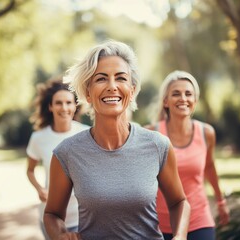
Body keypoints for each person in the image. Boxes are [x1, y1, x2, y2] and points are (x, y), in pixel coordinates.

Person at [43, 40, 191, 240]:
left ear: (132, 89)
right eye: (101, 79)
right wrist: (60, 235)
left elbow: (179, 202)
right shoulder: (66, 153)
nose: (112, 86)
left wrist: (180, 236)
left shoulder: (158, 145)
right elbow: (52, 214)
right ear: (88, 91)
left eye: (120, 78)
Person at [145, 70, 230, 240]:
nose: (183, 98)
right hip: (159, 224)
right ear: (166, 102)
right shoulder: (150, 134)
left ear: (194, 101)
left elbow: (210, 167)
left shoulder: (206, 133)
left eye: (188, 94)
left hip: (199, 220)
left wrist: (221, 202)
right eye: (176, 94)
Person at [26, 77, 89, 239]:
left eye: (69, 102)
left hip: (83, 218)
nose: (64, 107)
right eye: (58, 103)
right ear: (50, 106)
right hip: (51, 218)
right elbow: (30, 171)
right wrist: (39, 189)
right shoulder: (38, 138)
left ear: (75, 106)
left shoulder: (88, 134)